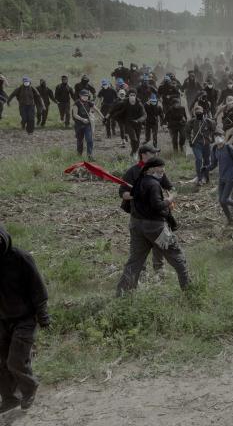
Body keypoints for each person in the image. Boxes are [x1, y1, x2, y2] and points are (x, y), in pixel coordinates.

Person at [116, 157, 190, 295]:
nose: (163, 170)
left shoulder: (139, 182)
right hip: (157, 229)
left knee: (135, 262)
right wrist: (169, 200)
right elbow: (157, 205)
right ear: (150, 168)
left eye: (163, 167)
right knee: (178, 258)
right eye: (160, 167)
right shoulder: (154, 185)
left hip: (137, 225)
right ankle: (190, 292)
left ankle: (122, 295)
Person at [0, 223, 50, 412]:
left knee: (16, 360)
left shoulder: (21, 258)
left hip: (25, 318)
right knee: (2, 362)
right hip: (2, 319)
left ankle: (29, 389)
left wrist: (43, 315)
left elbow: (38, 288)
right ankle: (9, 398)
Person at [120, 144, 173, 275]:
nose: (155, 155)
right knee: (139, 247)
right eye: (152, 153)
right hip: (139, 216)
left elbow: (169, 187)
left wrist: (170, 199)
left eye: (156, 153)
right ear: (143, 155)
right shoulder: (132, 172)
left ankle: (159, 269)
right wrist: (137, 194)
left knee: (161, 242)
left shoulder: (157, 170)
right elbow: (123, 193)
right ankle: (141, 272)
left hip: (158, 215)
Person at [72, 89, 103, 158]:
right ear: (80, 96)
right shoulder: (76, 103)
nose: (85, 97)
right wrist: (82, 119)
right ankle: (79, 154)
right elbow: (75, 114)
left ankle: (90, 155)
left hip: (87, 124)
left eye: (87, 96)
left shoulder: (89, 102)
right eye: (84, 96)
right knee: (80, 141)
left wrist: (103, 117)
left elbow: (96, 109)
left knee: (89, 140)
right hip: (78, 125)